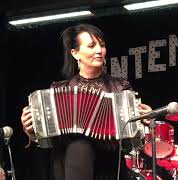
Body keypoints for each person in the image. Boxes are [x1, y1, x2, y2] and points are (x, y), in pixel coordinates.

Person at [21, 23, 152, 180]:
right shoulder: (58, 89)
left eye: (102, 45)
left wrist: (144, 119)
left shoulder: (120, 87)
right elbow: (46, 138)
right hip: (69, 163)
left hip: (107, 163)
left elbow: (132, 139)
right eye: (91, 46)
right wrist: (31, 129)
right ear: (75, 54)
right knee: (79, 148)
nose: (99, 51)